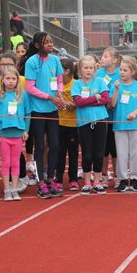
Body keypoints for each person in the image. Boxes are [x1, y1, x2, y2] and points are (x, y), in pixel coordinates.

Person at [24, 32, 66, 199]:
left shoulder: (55, 61)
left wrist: (60, 95)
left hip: (53, 108)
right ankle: (41, 183)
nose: (50, 45)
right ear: (37, 45)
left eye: (51, 41)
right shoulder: (32, 62)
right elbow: (30, 87)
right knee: (40, 146)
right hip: (38, 109)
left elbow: (59, 80)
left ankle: (51, 179)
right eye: (46, 42)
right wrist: (50, 97)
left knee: (55, 144)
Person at [72, 55, 110, 194]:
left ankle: (98, 181)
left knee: (99, 153)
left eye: (91, 68)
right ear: (80, 69)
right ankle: (87, 182)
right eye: (85, 68)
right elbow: (78, 102)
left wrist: (87, 100)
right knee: (87, 153)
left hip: (100, 120)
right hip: (83, 122)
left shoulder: (100, 81)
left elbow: (106, 99)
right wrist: (95, 98)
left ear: (95, 69)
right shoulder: (77, 84)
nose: (88, 70)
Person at [110, 57, 137, 192]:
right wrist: (115, 90)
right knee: (121, 153)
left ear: (132, 72)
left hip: (135, 124)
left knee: (134, 153)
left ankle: (135, 178)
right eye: (120, 70)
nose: (121, 72)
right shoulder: (116, 85)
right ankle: (122, 179)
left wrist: (135, 112)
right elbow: (112, 104)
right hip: (120, 125)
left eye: (125, 70)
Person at [0, 67, 31, 201]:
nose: (10, 81)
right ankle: (7, 189)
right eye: (7, 78)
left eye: (13, 79)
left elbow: (27, 114)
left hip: (18, 134)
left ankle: (14, 189)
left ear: (17, 80)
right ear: (2, 80)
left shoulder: (22, 95)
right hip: (4, 134)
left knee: (15, 163)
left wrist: (26, 130)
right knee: (5, 163)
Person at [95, 46, 121, 187]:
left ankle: (117, 175)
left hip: (117, 116)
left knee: (115, 149)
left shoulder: (120, 73)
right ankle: (104, 175)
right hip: (102, 116)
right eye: (102, 56)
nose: (102, 58)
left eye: (106, 56)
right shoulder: (99, 73)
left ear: (115, 60)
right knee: (103, 148)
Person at [55, 58, 79, 193]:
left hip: (73, 124)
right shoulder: (55, 85)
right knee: (60, 152)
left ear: (68, 71)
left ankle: (73, 179)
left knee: (73, 153)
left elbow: (79, 102)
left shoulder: (76, 84)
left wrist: (72, 105)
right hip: (59, 123)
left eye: (61, 71)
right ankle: (58, 179)